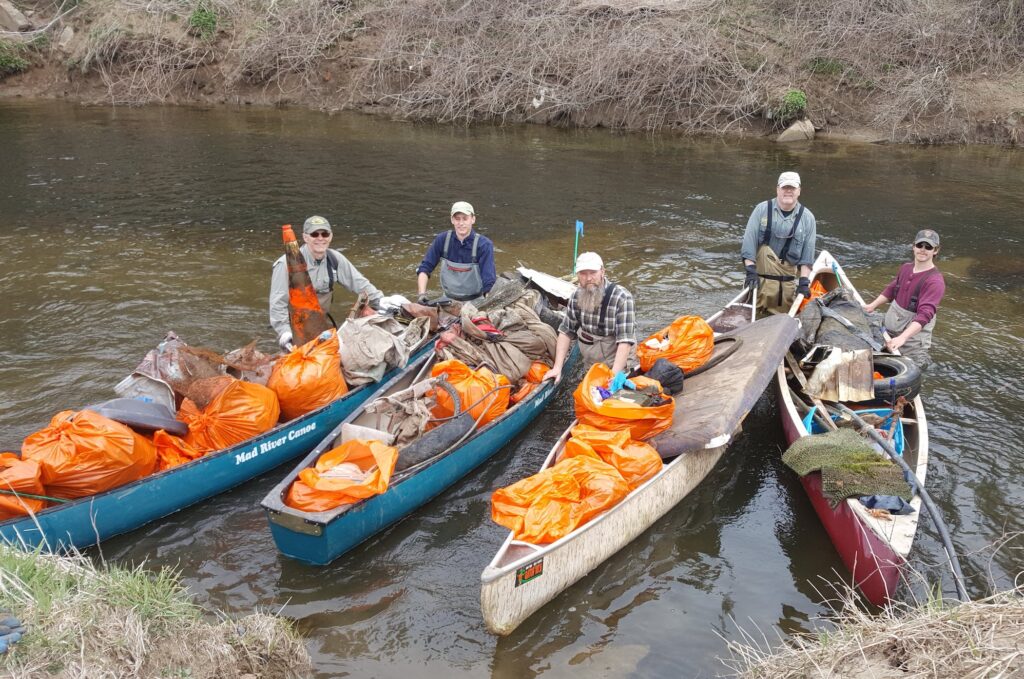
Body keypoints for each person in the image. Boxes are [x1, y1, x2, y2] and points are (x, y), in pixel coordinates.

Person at [269, 215, 384, 351]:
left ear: (330, 236)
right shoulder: (285, 264)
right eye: (314, 234)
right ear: (305, 237)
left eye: (324, 234)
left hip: (319, 324)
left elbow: (361, 284)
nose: (320, 238)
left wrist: (383, 302)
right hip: (295, 329)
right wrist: (284, 333)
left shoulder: (335, 259)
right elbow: (277, 304)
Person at [543, 252, 637, 385]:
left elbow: (625, 342)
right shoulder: (576, 296)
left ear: (602, 272)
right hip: (592, 364)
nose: (588, 278)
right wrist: (557, 367)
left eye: (593, 272)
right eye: (583, 273)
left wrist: (614, 376)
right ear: (577, 275)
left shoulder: (622, 298)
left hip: (619, 365)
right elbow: (566, 332)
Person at [862, 229, 946, 371]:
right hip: (889, 333)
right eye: (920, 245)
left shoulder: (935, 281)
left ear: (936, 251)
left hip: (912, 344)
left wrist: (903, 338)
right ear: (913, 247)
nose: (923, 250)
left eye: (928, 247)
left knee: (910, 374)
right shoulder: (906, 268)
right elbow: (892, 289)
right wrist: (872, 306)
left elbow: (925, 314)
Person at [740, 171, 817, 314]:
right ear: (777, 189)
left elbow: (807, 256)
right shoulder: (761, 209)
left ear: (799, 191)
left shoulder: (808, 218)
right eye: (784, 187)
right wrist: (750, 271)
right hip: (758, 284)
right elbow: (748, 243)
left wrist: (804, 283)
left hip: (786, 289)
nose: (788, 191)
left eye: (792, 188)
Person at [416, 201, 496, 303]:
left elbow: (489, 280)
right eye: (457, 219)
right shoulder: (442, 240)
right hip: (447, 299)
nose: (461, 223)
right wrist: (421, 295)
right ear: (452, 220)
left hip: (476, 300)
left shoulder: (484, 245)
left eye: (465, 218)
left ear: (473, 219)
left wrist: (488, 303)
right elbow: (425, 268)